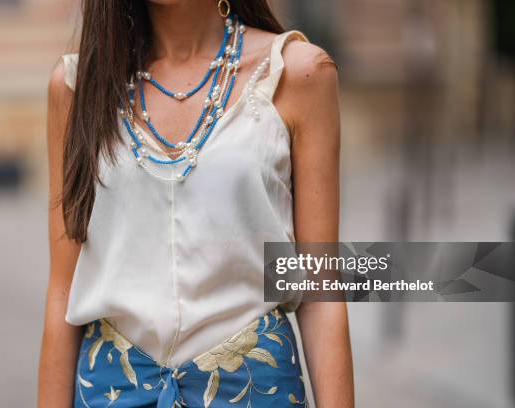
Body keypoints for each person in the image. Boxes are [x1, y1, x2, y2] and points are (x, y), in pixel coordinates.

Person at [38, 1, 353, 407]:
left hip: (256, 392)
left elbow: (319, 288)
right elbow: (63, 292)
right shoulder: (76, 87)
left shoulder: (298, 74)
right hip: (112, 392)